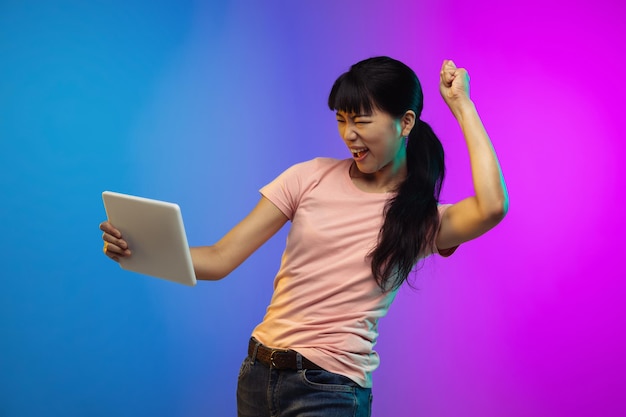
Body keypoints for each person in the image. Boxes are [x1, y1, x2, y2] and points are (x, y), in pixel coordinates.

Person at [100, 56, 508, 417]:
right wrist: (141, 250)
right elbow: (221, 258)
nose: (349, 134)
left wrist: (462, 106)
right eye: (341, 119)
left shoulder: (421, 219)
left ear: (405, 122)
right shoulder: (308, 176)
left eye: (362, 120)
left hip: (330, 391)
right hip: (257, 376)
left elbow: (492, 207)